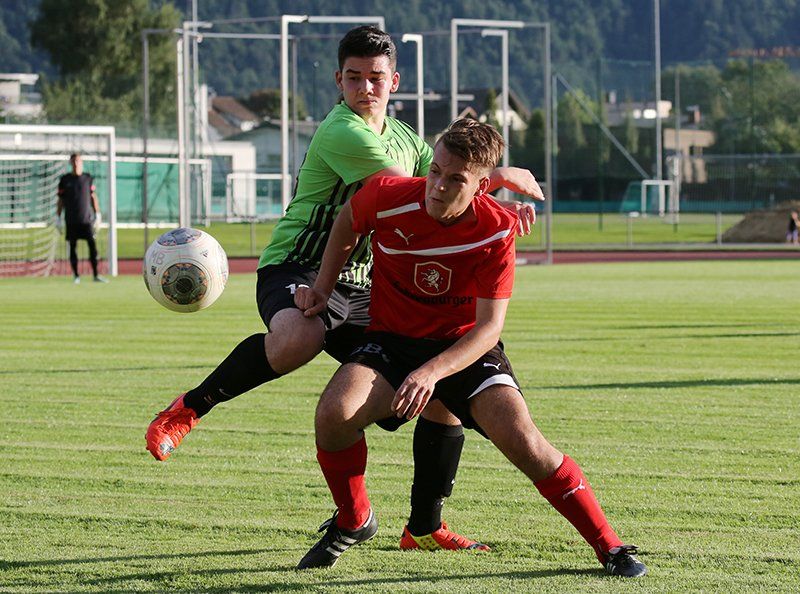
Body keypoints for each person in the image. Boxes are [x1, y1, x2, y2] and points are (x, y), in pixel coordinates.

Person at [145, 26, 543, 551]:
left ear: (393, 82)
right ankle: (189, 408)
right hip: (300, 266)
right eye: (353, 77)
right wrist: (496, 179)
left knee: (438, 373)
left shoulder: (407, 137)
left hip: (363, 283)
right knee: (299, 336)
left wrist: (482, 193)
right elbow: (406, 189)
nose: (365, 88)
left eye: (375, 78)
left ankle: (424, 527)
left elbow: (442, 188)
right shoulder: (342, 131)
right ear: (339, 80)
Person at [293, 119, 647, 578]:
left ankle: (610, 547)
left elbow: (488, 328)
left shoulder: (497, 229)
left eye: (455, 179)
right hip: (391, 342)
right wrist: (323, 286)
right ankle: (354, 519)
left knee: (526, 442)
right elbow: (347, 221)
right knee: (333, 414)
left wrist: (432, 371)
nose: (437, 186)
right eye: (435, 170)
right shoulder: (387, 195)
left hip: (465, 348)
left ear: (482, 186)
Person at [56, 153, 106, 283]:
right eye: (73, 161)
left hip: (86, 220)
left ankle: (96, 275)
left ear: (81, 162)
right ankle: (76, 276)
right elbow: (60, 200)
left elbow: (93, 197)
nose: (76, 163)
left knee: (92, 246)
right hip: (71, 220)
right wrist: (58, 217)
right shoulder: (65, 180)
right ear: (70, 163)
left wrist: (98, 214)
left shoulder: (87, 178)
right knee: (72, 247)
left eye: (78, 161)